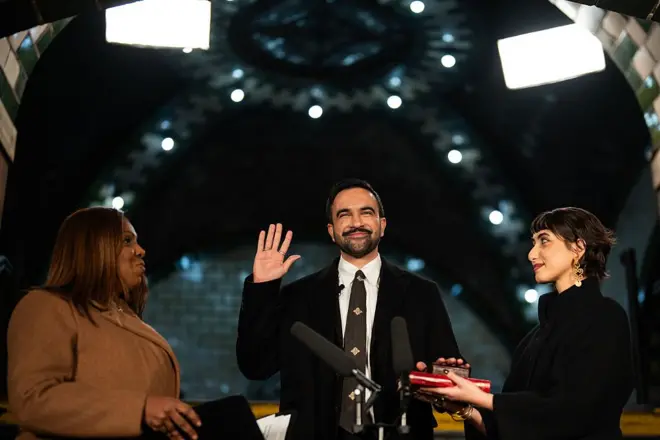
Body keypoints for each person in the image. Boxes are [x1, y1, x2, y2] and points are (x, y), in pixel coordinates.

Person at [236, 178, 465, 440]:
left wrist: (441, 378)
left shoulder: (422, 294)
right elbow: (255, 365)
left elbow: (447, 374)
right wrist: (262, 289)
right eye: (344, 215)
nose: (356, 222)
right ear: (332, 231)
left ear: (382, 225)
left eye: (366, 212)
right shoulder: (297, 296)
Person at [417, 207, 634, 440]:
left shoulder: (605, 317)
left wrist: (483, 398)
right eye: (533, 243)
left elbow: (575, 411)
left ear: (578, 248)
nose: (532, 254)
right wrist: (464, 406)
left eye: (544, 241)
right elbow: (519, 428)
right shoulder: (532, 339)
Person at [7, 207, 201, 440]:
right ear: (94, 247)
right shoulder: (46, 306)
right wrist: (140, 409)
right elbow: (33, 398)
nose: (140, 251)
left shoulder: (127, 319)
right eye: (127, 240)